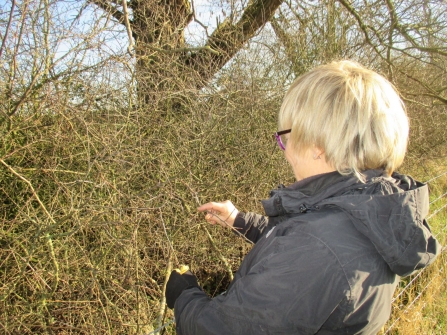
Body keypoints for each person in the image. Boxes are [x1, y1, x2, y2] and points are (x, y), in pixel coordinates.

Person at [165, 60, 441, 334]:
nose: (284, 150)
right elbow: (304, 240)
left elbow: (221, 330)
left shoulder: (319, 249)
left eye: (285, 137)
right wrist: (241, 221)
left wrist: (184, 296)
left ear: (317, 147)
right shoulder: (370, 210)